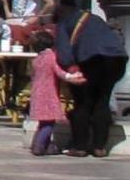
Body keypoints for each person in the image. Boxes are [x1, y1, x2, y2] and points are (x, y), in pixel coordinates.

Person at [48, 0, 128, 157]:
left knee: (83, 102)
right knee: (102, 100)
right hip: (117, 59)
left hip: (91, 59)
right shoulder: (93, 18)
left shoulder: (64, 22)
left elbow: (64, 51)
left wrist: (70, 68)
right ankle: (99, 147)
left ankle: (80, 146)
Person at [27, 25, 88, 155]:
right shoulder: (50, 56)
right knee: (49, 123)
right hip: (48, 93)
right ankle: (38, 145)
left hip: (37, 92)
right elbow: (58, 72)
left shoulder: (36, 59)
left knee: (43, 121)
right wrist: (71, 77)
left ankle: (48, 146)